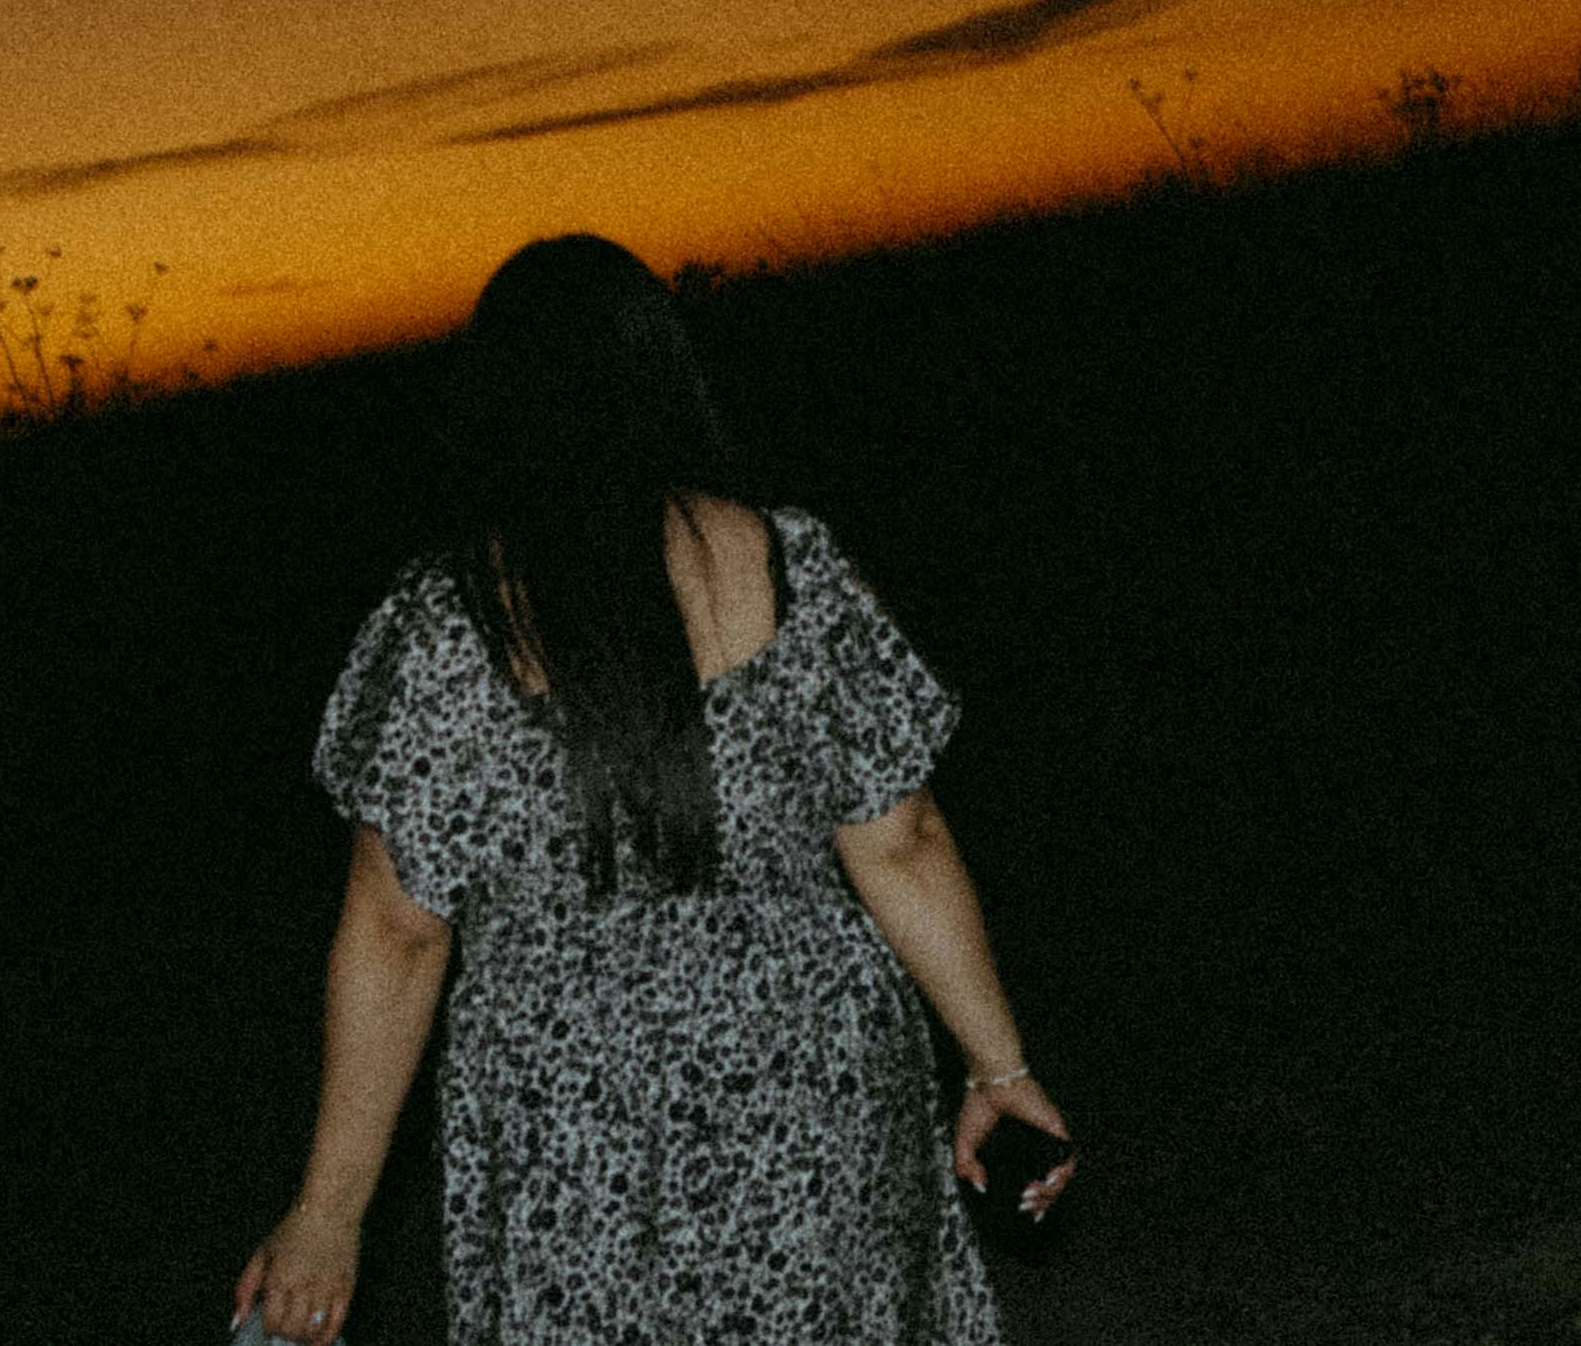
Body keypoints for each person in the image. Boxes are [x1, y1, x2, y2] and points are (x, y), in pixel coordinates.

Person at [231, 234, 1074, 1345]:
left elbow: (398, 931)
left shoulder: (444, 625)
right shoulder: (791, 563)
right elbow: (900, 840)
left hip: (564, 1120)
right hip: (811, 1081)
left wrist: (329, 1210)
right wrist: (997, 1063)